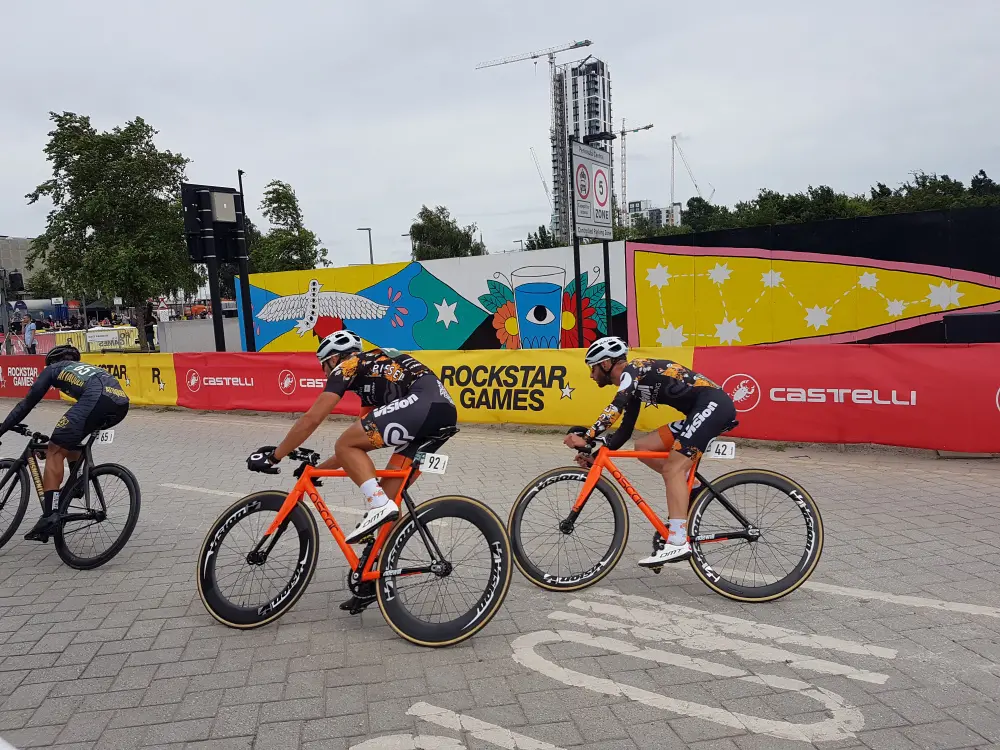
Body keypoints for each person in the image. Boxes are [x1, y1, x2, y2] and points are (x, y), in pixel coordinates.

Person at [246, 330, 457, 602]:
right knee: (388, 490)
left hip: (422, 405)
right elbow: (357, 445)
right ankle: (377, 576)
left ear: (333, 359)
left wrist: (275, 455)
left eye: (324, 367)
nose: (326, 374)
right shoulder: (373, 377)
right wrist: (321, 469)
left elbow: (313, 419)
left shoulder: (349, 365)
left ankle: (378, 506)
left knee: (349, 451)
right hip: (442, 413)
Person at [564, 336, 737, 567]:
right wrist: (596, 456)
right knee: (643, 447)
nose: (591, 375)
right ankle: (692, 488)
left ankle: (677, 541)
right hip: (700, 411)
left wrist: (587, 437)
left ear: (605, 364)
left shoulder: (633, 370)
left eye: (592, 368)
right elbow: (624, 432)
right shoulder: (635, 386)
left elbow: (615, 406)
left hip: (713, 405)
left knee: (673, 468)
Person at [0, 344, 130, 542]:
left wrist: (2, 429)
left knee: (54, 449)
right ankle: (76, 484)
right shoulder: (84, 369)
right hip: (120, 403)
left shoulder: (53, 369)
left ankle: (49, 516)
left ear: (52, 362)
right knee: (67, 441)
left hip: (96, 399)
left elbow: (26, 404)